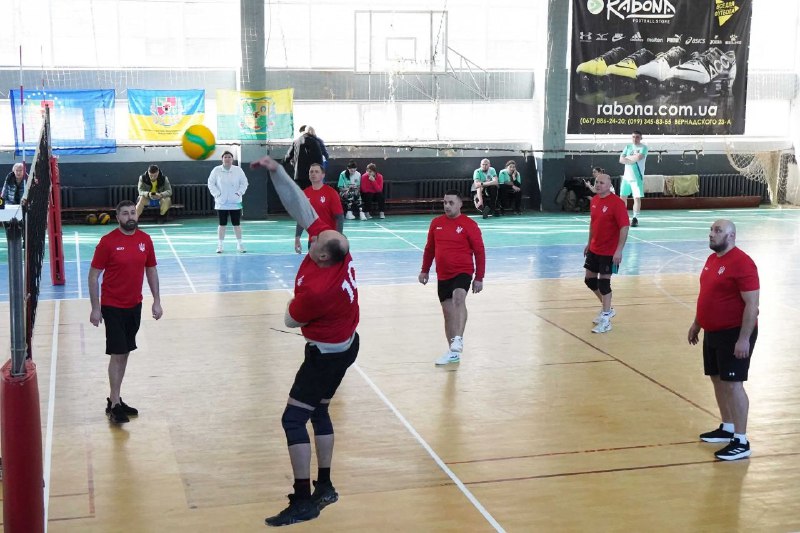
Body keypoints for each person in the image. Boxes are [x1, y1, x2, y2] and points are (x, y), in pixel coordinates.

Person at [250, 154, 359, 527]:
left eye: (318, 239)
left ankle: (303, 501)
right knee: (320, 410)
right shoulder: (335, 249)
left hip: (326, 355)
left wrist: (292, 303)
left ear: (323, 256)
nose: (314, 233)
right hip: (346, 344)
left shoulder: (317, 289)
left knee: (293, 419)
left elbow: (290, 319)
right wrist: (277, 171)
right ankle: (325, 487)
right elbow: (302, 207)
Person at [688, 219, 759, 461]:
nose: (711, 234)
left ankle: (741, 440)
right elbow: (707, 295)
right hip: (713, 331)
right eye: (711, 229)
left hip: (734, 333)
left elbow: (752, 305)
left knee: (733, 384)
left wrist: (744, 339)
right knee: (717, 379)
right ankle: (727, 427)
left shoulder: (743, 263)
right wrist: (697, 323)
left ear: (731, 236)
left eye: (717, 230)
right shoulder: (712, 260)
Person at [88, 200, 163, 424]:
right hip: (112, 307)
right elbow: (93, 276)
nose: (130, 217)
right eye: (125, 214)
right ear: (118, 217)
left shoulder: (145, 240)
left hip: (134, 306)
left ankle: (115, 399)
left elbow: (151, 270)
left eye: (133, 213)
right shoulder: (107, 242)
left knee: (125, 353)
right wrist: (95, 308)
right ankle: (114, 404)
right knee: (118, 354)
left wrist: (157, 301)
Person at [419, 190, 485, 365]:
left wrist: (479, 277)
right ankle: (453, 352)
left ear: (460, 204)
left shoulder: (469, 225)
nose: (447, 206)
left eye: (451, 203)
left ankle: (458, 339)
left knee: (458, 298)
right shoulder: (436, 223)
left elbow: (479, 252)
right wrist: (424, 270)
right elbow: (429, 249)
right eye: (445, 202)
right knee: (448, 314)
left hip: (463, 271)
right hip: (443, 274)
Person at [584, 172, 629, 334]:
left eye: (601, 183)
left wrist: (619, 250)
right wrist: (589, 243)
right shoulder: (595, 200)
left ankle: (606, 319)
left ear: (609, 186)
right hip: (594, 248)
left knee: (604, 283)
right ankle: (608, 309)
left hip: (609, 251)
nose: (598, 185)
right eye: (596, 182)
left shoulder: (617, 203)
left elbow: (624, 227)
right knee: (589, 280)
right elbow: (593, 223)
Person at [295, 163, 344, 253]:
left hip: (329, 241)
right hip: (313, 241)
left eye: (316, 172)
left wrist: (338, 237)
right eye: (311, 172)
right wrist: (297, 238)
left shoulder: (331, 193)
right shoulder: (304, 194)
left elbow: (339, 217)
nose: (313, 174)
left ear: (323, 175)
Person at [208, 151, 249, 253]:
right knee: (222, 224)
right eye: (225, 157)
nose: (227, 159)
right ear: (222, 159)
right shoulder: (216, 170)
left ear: (232, 159)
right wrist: (217, 194)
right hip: (221, 203)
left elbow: (244, 183)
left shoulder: (238, 170)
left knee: (237, 224)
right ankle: (220, 246)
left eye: (229, 157)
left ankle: (240, 245)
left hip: (235, 202)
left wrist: (239, 193)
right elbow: (211, 183)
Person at [618, 130, 648, 227]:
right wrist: (631, 159)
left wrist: (627, 158)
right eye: (633, 137)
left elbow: (638, 158)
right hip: (626, 177)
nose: (635, 139)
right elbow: (621, 160)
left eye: (637, 137)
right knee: (622, 197)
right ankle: (622, 216)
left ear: (641, 138)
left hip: (637, 177)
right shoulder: (628, 147)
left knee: (636, 198)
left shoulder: (643, 148)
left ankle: (635, 218)